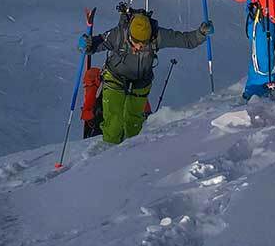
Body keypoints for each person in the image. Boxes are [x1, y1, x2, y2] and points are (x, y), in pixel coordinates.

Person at [78, 8, 212, 144]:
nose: (139, 47)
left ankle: (131, 151)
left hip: (141, 82)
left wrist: (201, 33)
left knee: (134, 121)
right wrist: (86, 45)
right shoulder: (118, 34)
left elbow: (186, 40)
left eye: (143, 44)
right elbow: (95, 45)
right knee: (113, 121)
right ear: (129, 34)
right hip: (115, 78)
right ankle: (109, 151)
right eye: (135, 43)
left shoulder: (157, 36)